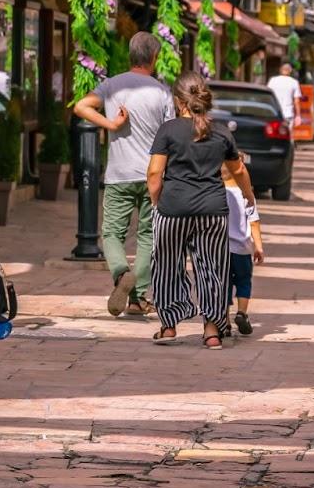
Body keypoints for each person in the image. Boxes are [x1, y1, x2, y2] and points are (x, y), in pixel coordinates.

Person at [146, 74, 255, 350]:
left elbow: (154, 173)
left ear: (178, 101)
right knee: (212, 268)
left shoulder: (168, 130)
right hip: (212, 211)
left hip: (173, 208)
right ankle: (211, 331)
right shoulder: (221, 132)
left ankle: (169, 325)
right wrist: (248, 194)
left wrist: (158, 201)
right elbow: (238, 169)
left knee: (166, 264)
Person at [74, 33, 173, 319]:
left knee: (111, 234)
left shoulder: (112, 85)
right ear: (154, 58)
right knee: (147, 236)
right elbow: (168, 135)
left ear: (131, 56)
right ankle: (137, 298)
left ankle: (121, 274)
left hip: (118, 174)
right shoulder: (161, 92)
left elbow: (81, 106)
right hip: (152, 173)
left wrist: (111, 124)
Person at [224, 155, 265, 337]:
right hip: (242, 248)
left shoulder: (217, 193)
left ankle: (223, 320)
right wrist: (259, 246)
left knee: (223, 283)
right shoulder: (246, 194)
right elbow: (254, 222)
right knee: (243, 281)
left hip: (221, 249)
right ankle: (241, 312)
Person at [266, 63, 301, 136]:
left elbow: (267, 96)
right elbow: (296, 101)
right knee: (287, 136)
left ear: (280, 70)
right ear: (290, 71)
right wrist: (298, 115)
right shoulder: (294, 82)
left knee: (272, 134)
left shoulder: (273, 80)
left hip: (273, 112)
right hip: (287, 114)